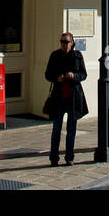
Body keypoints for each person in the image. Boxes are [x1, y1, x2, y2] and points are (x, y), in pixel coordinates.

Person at [44, 31, 88, 166]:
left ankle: (69, 157)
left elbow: (83, 74)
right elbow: (47, 74)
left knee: (71, 130)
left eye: (66, 42)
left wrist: (73, 76)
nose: (63, 44)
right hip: (58, 97)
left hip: (73, 97)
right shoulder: (55, 55)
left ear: (72, 43)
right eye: (61, 42)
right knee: (56, 129)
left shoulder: (77, 56)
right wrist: (56, 78)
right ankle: (54, 157)